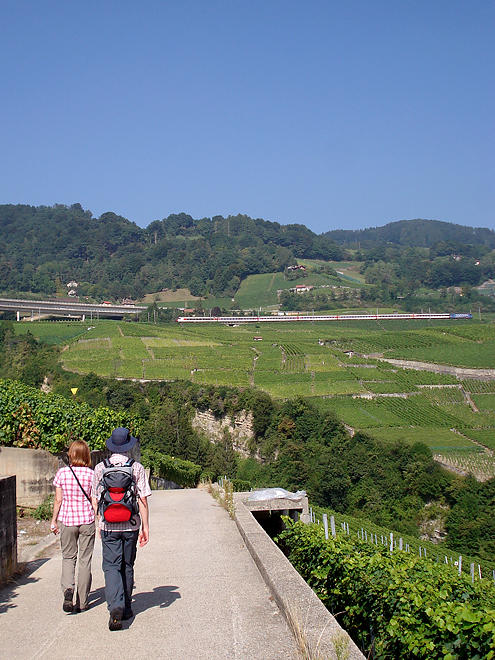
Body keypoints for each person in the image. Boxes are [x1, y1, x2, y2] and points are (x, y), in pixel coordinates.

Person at [92, 427, 151, 631]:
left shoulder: (100, 468)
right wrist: (145, 527)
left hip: (109, 525)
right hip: (130, 524)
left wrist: (100, 522)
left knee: (111, 566)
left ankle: (115, 605)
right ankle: (126, 607)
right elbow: (142, 500)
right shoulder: (137, 468)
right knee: (127, 564)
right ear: (128, 446)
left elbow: (95, 499)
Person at [51, 439, 96, 614]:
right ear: (86, 455)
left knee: (69, 558)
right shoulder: (91, 474)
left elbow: (58, 500)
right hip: (86, 521)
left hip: (67, 520)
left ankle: (68, 589)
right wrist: (98, 519)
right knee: (85, 561)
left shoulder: (62, 473)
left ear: (71, 454)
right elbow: (94, 500)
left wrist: (54, 521)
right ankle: (82, 602)